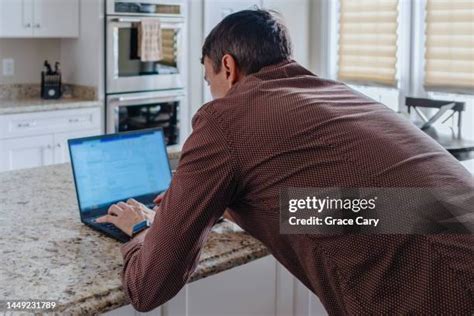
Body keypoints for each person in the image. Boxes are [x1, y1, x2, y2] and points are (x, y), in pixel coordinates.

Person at [97, 9, 474, 315]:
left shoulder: (223, 118)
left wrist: (142, 231)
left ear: (227, 68)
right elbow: (391, 209)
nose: (210, 91)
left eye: (208, 78)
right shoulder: (339, 93)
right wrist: (235, 204)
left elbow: (147, 288)